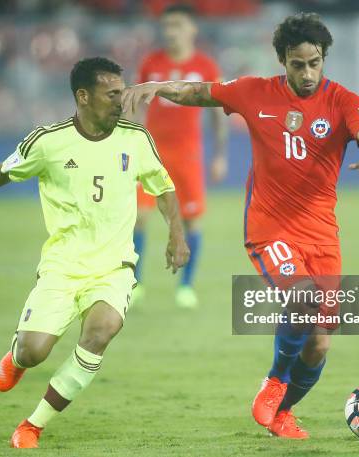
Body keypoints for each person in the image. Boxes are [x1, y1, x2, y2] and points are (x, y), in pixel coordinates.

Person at [122, 12, 359, 439]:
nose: (307, 73)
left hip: (322, 235)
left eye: (315, 63)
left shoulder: (342, 100)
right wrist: (159, 86)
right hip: (270, 230)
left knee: (319, 342)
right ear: (283, 59)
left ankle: (282, 411)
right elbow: (198, 93)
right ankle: (275, 380)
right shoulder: (254, 93)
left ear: (324, 59)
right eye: (298, 63)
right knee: (300, 296)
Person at [0, 57, 190, 448]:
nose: (123, 100)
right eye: (112, 94)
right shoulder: (49, 141)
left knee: (102, 331)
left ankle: (32, 425)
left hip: (114, 267)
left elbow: (163, 187)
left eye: (123, 91)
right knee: (35, 352)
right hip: (62, 268)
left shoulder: (135, 139)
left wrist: (176, 236)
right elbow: (4, 169)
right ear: (83, 96)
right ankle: (17, 358)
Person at [132, 3, 227, 308]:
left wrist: (219, 155)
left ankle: (185, 286)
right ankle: (135, 284)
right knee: (138, 218)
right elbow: (136, 106)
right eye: (168, 25)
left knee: (191, 221)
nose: (171, 31)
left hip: (188, 156)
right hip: (152, 153)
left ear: (192, 29)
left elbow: (218, 113)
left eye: (178, 25)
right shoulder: (151, 63)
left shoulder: (206, 66)